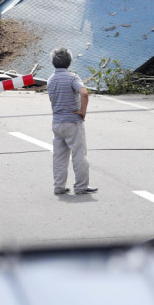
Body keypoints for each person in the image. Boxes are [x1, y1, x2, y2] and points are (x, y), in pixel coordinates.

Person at [48, 47, 97, 196]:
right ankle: (81, 187)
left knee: (59, 156)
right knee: (79, 154)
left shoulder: (51, 79)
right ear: (69, 61)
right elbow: (84, 93)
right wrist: (83, 111)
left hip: (57, 122)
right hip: (73, 122)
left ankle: (59, 187)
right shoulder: (72, 77)